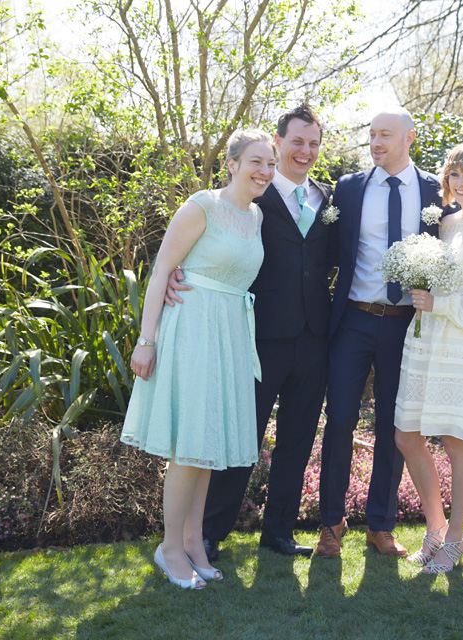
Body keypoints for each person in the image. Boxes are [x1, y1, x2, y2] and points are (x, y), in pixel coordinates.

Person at [166, 104, 334, 559]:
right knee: (241, 434)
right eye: (297, 142)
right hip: (256, 338)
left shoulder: (329, 199)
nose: (305, 151)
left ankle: (277, 531)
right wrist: (175, 276)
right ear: (278, 143)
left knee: (298, 438)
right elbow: (211, 243)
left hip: (314, 336)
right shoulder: (252, 197)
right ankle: (207, 532)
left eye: (313, 143)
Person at [120, 129, 274, 589]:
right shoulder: (201, 205)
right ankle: (169, 548)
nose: (264, 171)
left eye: (270, 163)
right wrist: (146, 340)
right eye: (256, 162)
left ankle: (192, 541)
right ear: (232, 163)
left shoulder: (258, 215)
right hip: (191, 329)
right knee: (189, 444)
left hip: (228, 332)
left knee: (206, 444)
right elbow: (161, 271)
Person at [315, 107, 445, 558]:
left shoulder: (435, 190)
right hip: (351, 319)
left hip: (406, 325)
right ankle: (330, 524)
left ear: (410, 137)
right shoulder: (349, 189)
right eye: (371, 135)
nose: (375, 142)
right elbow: (325, 251)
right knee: (340, 421)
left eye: (385, 135)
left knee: (396, 425)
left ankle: (381, 524)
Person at [394, 142, 463, 574]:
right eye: (455, 175)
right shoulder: (447, 224)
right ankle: (435, 527)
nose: (461, 183)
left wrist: (438, 304)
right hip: (425, 342)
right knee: (406, 434)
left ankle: (455, 539)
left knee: (457, 443)